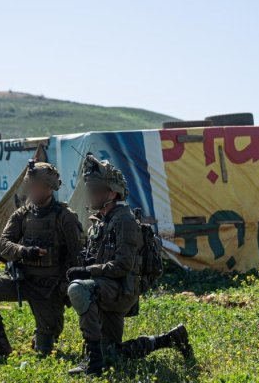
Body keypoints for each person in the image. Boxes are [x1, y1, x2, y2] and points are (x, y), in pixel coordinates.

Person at [66, 155, 193, 376]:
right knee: (113, 353)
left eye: (95, 190)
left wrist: (87, 271)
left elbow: (122, 265)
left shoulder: (123, 220)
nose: (90, 194)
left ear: (112, 193)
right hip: (106, 288)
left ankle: (93, 361)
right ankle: (170, 339)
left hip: (121, 289)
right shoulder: (102, 220)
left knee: (78, 288)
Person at [0, 161, 84, 359]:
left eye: (35, 185)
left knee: (44, 350)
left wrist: (66, 287)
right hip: (20, 281)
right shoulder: (22, 214)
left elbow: (77, 257)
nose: (31, 189)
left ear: (49, 188)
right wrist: (23, 251)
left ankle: (43, 334)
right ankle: (1, 344)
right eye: (29, 184)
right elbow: (3, 244)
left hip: (49, 288)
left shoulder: (65, 217)